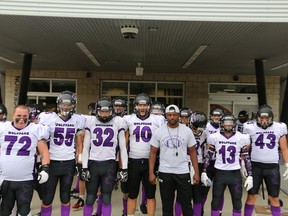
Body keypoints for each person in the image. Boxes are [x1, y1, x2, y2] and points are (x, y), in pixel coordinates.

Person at [38, 90, 85, 216]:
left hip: (68, 163)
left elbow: (80, 142)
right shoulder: (48, 118)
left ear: (73, 105)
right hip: (52, 162)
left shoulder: (77, 120)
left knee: (65, 197)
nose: (66, 107)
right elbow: (41, 141)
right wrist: (43, 162)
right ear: (59, 104)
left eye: (68, 105)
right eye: (63, 104)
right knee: (47, 198)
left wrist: (79, 160)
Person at [149, 104, 200, 216]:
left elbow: (192, 152)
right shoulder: (159, 131)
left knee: (186, 204)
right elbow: (153, 153)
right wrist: (151, 173)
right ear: (166, 116)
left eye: (175, 115)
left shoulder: (187, 131)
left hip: (182, 172)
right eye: (169, 115)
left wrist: (196, 172)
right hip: (165, 172)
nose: (172, 117)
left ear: (179, 116)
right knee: (167, 206)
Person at [81, 97, 128, 216]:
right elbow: (85, 147)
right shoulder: (91, 121)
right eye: (102, 111)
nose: (105, 114)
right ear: (97, 111)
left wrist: (124, 168)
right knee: (90, 198)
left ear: (112, 111)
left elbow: (123, 148)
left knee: (107, 197)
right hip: (93, 163)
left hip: (109, 164)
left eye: (107, 111)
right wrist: (84, 167)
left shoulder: (118, 121)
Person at [0, 105, 50, 216]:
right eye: (18, 115)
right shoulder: (3, 128)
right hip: (5, 179)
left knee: (24, 211)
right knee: (5, 211)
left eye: (25, 116)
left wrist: (45, 168)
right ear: (13, 115)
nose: (21, 118)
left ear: (29, 116)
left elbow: (44, 152)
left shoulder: (35, 129)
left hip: (25, 180)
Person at [201, 113, 252, 216]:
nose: (228, 126)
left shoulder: (241, 137)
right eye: (226, 124)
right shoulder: (215, 137)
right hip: (220, 173)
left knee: (237, 202)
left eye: (230, 124)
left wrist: (250, 175)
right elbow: (209, 155)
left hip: (235, 174)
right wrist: (204, 172)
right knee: (215, 201)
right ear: (221, 124)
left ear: (234, 124)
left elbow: (246, 157)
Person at [243, 104, 288, 216]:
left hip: (272, 167)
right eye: (261, 118)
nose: (264, 121)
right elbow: (245, 149)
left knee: (274, 198)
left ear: (271, 118)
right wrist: (243, 163)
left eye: (266, 118)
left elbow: (284, 148)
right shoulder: (250, 127)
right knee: (251, 196)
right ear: (257, 117)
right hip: (255, 167)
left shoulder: (279, 127)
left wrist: (287, 164)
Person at [125, 93, 165, 216]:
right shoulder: (129, 119)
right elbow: (124, 142)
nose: (142, 108)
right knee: (132, 194)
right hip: (133, 161)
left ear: (149, 106)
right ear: (135, 106)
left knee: (150, 194)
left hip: (150, 162)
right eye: (139, 105)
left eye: (145, 105)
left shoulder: (157, 119)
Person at [201, 107, 225, 215]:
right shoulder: (206, 126)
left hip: (221, 163)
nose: (216, 118)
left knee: (219, 192)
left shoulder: (227, 126)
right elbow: (199, 142)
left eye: (219, 116)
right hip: (208, 162)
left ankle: (218, 211)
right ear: (211, 116)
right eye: (214, 115)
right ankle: (200, 209)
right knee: (204, 189)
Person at [189, 111, 208, 216]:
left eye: (201, 128)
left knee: (197, 195)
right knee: (183, 196)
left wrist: (205, 169)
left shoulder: (205, 134)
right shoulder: (185, 131)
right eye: (196, 128)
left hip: (199, 164)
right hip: (185, 164)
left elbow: (206, 151)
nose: (198, 131)